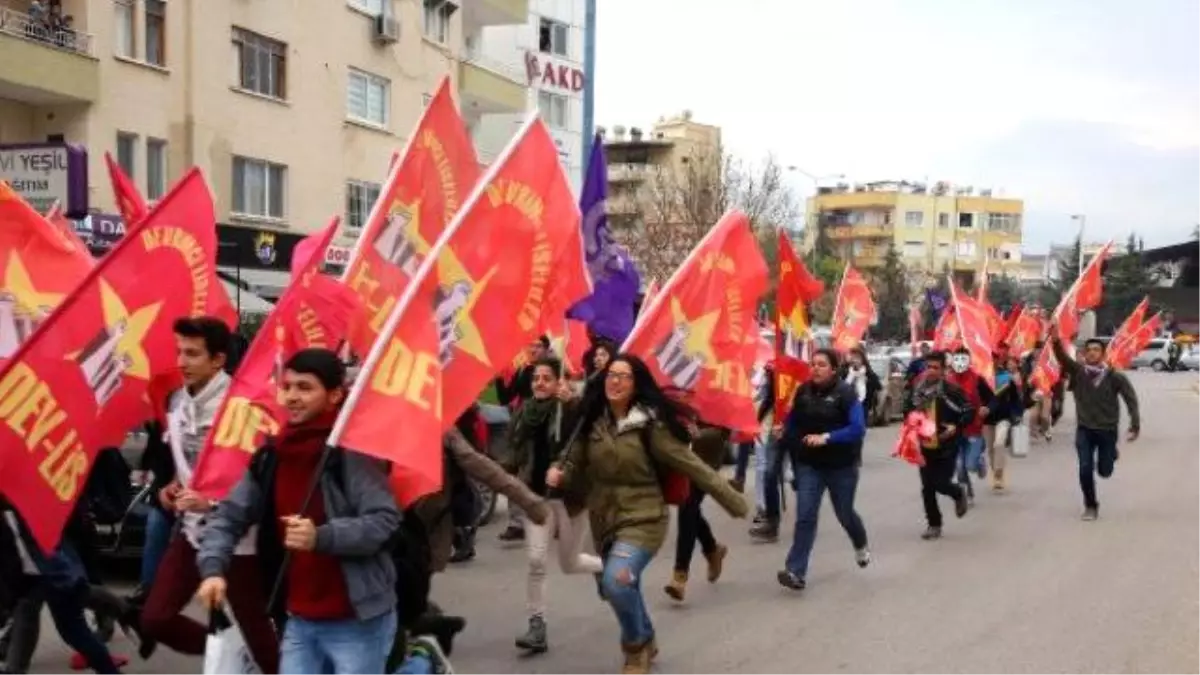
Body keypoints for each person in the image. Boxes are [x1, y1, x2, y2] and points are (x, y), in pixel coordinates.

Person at [197, 348, 401, 674]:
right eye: (287, 386)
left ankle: (421, 664)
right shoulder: (271, 453)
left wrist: (321, 537)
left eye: (305, 388)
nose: (291, 396)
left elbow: (384, 521)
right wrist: (212, 569)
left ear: (335, 395)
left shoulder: (351, 453)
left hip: (356, 619)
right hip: (298, 618)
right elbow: (228, 515)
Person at [546, 355, 749, 674]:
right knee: (617, 586)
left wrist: (732, 499)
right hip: (603, 520)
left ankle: (636, 646)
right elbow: (574, 461)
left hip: (644, 517)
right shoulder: (591, 421)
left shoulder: (649, 425)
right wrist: (561, 471)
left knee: (617, 581)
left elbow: (690, 463)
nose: (616, 381)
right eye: (612, 375)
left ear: (636, 384)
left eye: (624, 377)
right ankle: (647, 634)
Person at [140, 317, 278, 672]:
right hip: (190, 531)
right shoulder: (175, 401)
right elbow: (184, 462)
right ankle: (230, 649)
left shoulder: (243, 406)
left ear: (217, 360)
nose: (182, 361)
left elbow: (255, 484)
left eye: (192, 354)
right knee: (155, 619)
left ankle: (252, 652)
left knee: (261, 639)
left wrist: (213, 501)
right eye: (179, 352)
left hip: (238, 538)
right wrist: (170, 485)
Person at [504, 358, 601, 655]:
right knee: (536, 562)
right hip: (537, 499)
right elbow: (513, 450)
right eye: (536, 378)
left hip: (570, 500)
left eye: (547, 377)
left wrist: (572, 405)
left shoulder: (571, 407)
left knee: (570, 564)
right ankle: (537, 627)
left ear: (559, 381)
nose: (540, 383)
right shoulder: (525, 413)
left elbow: (591, 431)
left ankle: (605, 568)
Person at [774, 349, 870, 590]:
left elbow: (858, 428)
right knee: (805, 517)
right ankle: (796, 571)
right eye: (813, 364)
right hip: (810, 464)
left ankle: (860, 543)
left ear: (834, 369)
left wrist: (827, 437)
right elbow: (794, 420)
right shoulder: (804, 391)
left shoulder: (846, 394)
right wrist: (783, 429)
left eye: (821, 364)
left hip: (842, 466)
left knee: (844, 514)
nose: (815, 368)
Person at [1051, 333, 1140, 520]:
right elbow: (1062, 358)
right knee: (1085, 468)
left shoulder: (1115, 376)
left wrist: (1135, 425)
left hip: (1107, 430)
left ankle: (1111, 454)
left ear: (1103, 354)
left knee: (1105, 471)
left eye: (1096, 350)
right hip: (1085, 429)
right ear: (1084, 354)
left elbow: (1131, 400)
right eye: (1089, 350)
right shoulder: (1078, 372)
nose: (1092, 353)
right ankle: (1091, 505)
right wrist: (1056, 341)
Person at [905, 350, 975, 540]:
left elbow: (969, 411)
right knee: (927, 487)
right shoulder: (917, 390)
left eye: (936, 367)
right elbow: (907, 410)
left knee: (940, 483)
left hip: (947, 445)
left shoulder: (952, 391)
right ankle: (934, 525)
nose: (931, 371)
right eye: (928, 367)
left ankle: (957, 492)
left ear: (944, 370)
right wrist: (911, 425)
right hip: (924, 445)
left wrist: (956, 426)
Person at [663, 424, 731, 603]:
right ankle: (712, 549)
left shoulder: (720, 398)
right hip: (681, 450)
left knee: (687, 508)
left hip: (706, 453)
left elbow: (724, 430)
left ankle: (679, 576)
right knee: (689, 509)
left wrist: (698, 434)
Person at [495, 336, 552, 542]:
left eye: (538, 346)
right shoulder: (524, 369)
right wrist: (500, 377)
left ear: (546, 349)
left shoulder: (555, 369)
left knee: (542, 475)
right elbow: (506, 398)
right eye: (531, 346)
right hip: (522, 428)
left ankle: (549, 518)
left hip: (545, 429)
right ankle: (516, 523)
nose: (533, 350)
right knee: (516, 475)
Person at [946, 348, 994, 504]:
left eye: (963, 360)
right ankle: (968, 493)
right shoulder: (948, 381)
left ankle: (979, 461)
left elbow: (992, 399)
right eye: (956, 360)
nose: (959, 363)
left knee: (970, 465)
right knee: (960, 466)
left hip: (974, 428)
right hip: (956, 430)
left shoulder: (977, 379)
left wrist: (987, 407)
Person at [981, 356, 1025, 492]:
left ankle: (998, 474)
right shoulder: (980, 378)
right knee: (990, 449)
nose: (992, 361)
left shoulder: (1005, 377)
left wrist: (1017, 414)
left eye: (994, 359)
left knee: (999, 443)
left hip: (1003, 417)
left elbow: (1015, 399)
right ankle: (996, 473)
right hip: (987, 419)